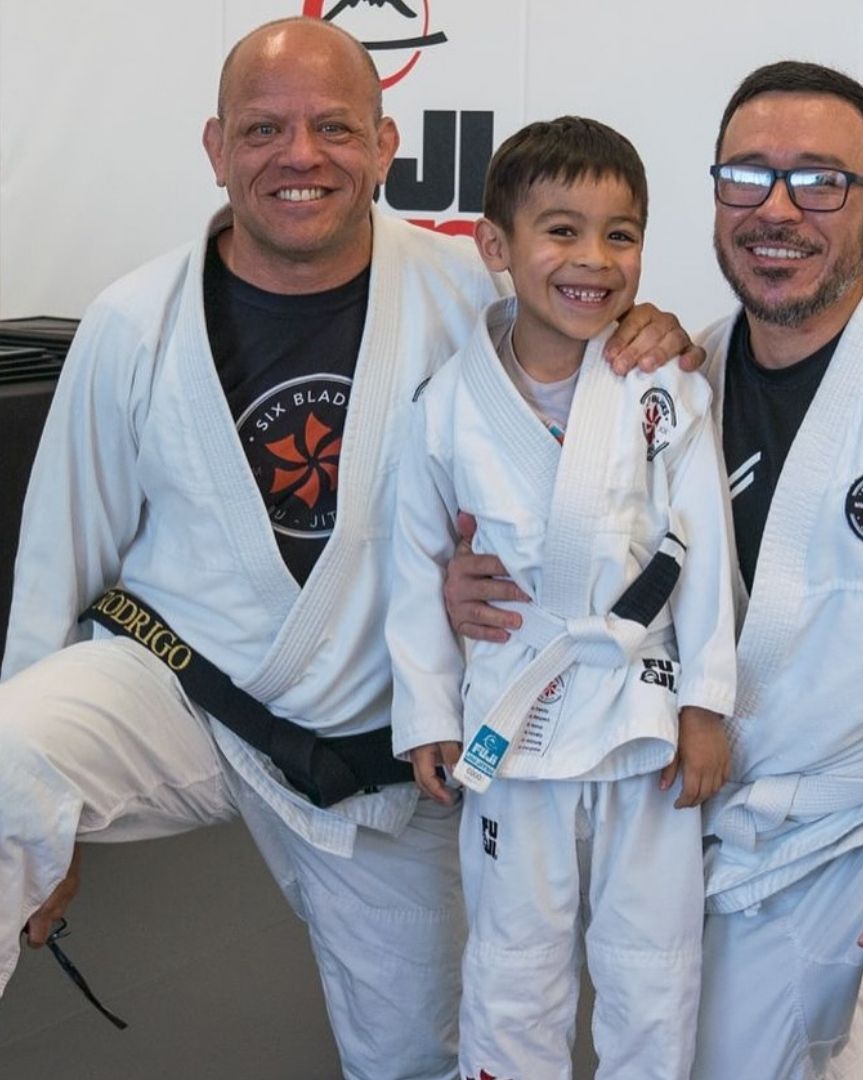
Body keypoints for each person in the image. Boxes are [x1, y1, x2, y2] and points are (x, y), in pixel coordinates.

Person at [0, 18, 698, 1080]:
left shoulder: (474, 295)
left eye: (335, 127)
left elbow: (597, 446)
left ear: (385, 145)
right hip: (183, 687)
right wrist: (32, 831)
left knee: (421, 1054)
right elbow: (59, 549)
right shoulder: (131, 322)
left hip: (385, 743)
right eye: (264, 129)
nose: (301, 155)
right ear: (215, 148)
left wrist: (648, 335)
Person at [446, 61, 863, 1080]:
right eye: (747, 176)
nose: (777, 208)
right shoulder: (670, 380)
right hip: (730, 833)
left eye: (820, 181)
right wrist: (467, 585)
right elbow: (588, 568)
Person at [386, 116, 737, 1080]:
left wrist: (707, 703)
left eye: (620, 234)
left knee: (652, 957)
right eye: (562, 230)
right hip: (518, 709)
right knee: (511, 956)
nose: (594, 259)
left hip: (643, 715)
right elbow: (414, 564)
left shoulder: (661, 384)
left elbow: (702, 547)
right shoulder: (447, 402)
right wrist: (426, 709)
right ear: (494, 246)